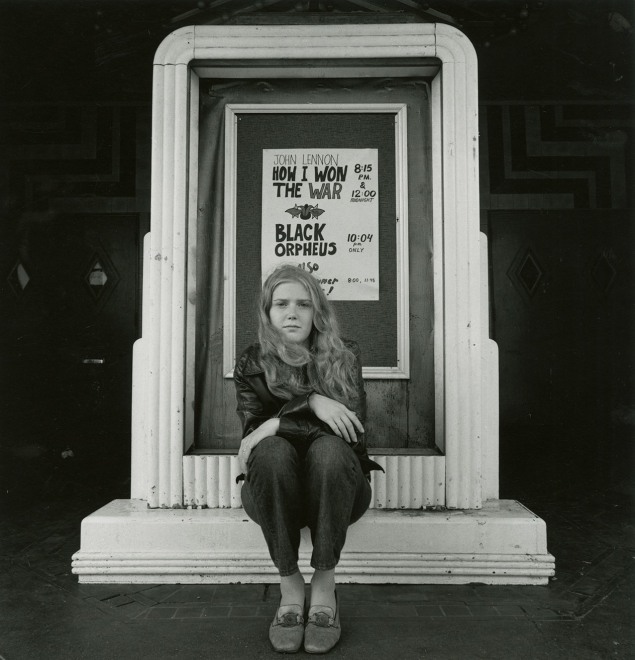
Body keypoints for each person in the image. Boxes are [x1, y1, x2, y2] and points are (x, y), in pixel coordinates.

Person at [234, 264, 382, 654]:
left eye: (303, 303)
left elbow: (349, 435)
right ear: (267, 313)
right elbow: (252, 446)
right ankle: (289, 587)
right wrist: (311, 404)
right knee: (270, 451)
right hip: (273, 488)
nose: (292, 313)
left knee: (330, 449)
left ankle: (324, 587)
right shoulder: (252, 363)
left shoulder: (344, 355)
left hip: (339, 487)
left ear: (318, 310)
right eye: (281, 304)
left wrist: (280, 420)